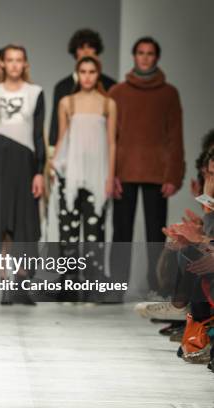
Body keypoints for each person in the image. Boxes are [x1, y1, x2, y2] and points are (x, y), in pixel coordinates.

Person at [109, 37, 184, 298]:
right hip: (123, 170)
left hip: (157, 172)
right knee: (121, 233)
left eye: (150, 53)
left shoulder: (168, 93)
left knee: (156, 234)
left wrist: (173, 174)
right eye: (140, 53)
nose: (144, 57)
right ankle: (116, 287)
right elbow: (110, 137)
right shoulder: (118, 92)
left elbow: (175, 136)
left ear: (156, 57)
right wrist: (111, 174)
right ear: (134, 56)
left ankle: (158, 287)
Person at [0, 44, 45, 304]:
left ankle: (21, 284)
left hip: (24, 165)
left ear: (25, 64)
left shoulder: (35, 93)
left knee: (24, 224)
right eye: (10, 60)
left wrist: (39, 171)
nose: (14, 64)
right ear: (2, 63)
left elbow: (38, 134)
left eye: (19, 60)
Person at [51, 56, 117, 301]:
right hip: (70, 174)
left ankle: (93, 285)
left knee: (94, 232)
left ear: (98, 74)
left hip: (97, 175)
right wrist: (53, 165)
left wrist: (110, 176)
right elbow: (61, 138)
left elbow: (112, 143)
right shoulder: (67, 102)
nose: (88, 76)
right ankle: (68, 285)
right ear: (77, 74)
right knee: (68, 231)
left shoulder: (108, 104)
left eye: (92, 71)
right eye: (83, 71)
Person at [49, 28, 116, 147]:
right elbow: (56, 125)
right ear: (75, 52)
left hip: (100, 147)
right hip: (71, 148)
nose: (86, 51)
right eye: (81, 47)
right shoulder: (62, 87)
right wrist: (53, 150)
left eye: (90, 47)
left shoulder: (110, 85)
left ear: (97, 51)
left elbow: (114, 126)